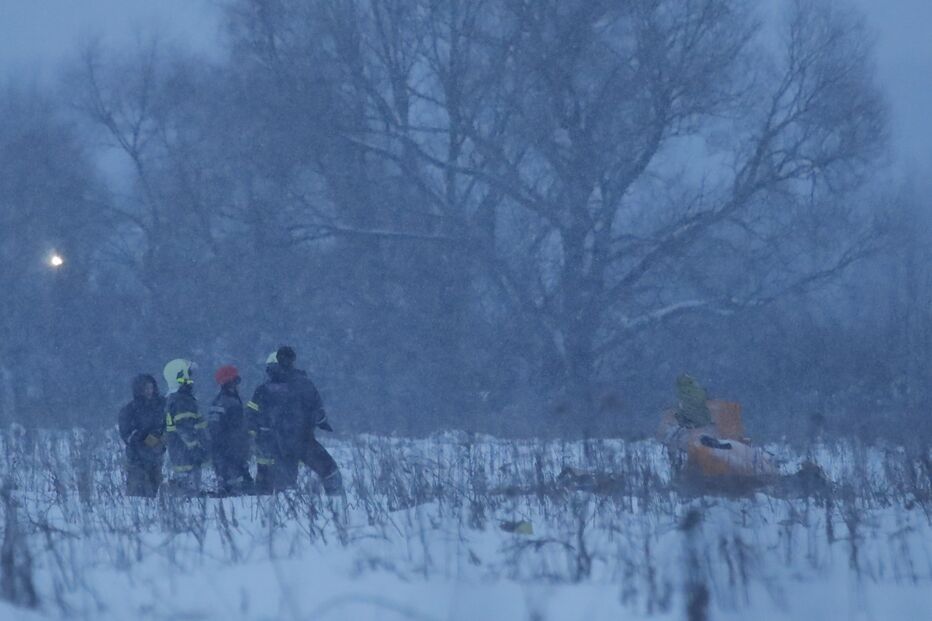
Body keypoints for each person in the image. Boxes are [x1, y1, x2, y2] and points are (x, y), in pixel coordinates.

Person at [246, 346, 342, 494]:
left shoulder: (264, 389)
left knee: (284, 484)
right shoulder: (304, 384)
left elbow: (250, 415)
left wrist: (259, 431)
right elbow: (317, 409)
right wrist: (321, 421)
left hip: (279, 443)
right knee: (329, 471)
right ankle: (337, 501)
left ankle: (284, 501)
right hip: (302, 440)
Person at [163, 358, 209, 495]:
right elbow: (184, 428)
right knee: (188, 492)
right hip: (186, 453)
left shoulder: (176, 398)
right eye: (188, 374)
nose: (191, 378)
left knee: (186, 487)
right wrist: (195, 447)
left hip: (181, 453)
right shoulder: (182, 400)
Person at [208, 365, 253, 496]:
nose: (238, 385)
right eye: (236, 381)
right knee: (236, 489)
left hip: (226, 450)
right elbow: (236, 427)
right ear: (230, 382)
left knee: (229, 481)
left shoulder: (220, 401)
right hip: (231, 450)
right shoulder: (230, 402)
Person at [118, 374, 166, 497]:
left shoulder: (160, 406)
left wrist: (159, 439)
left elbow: (166, 426)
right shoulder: (130, 409)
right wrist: (146, 440)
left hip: (156, 456)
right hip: (137, 458)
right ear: (139, 390)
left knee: (155, 491)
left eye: (151, 388)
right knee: (137, 493)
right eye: (146, 388)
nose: (149, 391)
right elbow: (127, 434)